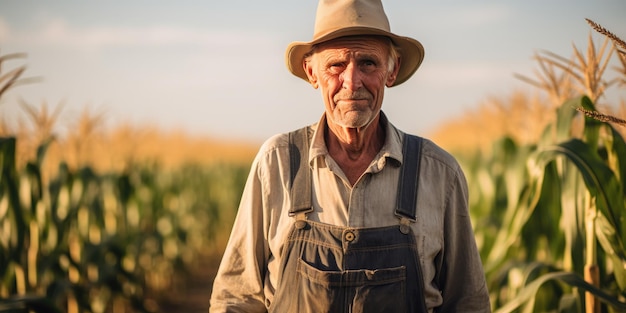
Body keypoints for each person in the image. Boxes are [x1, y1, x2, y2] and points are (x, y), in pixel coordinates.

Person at [209, 0, 491, 312]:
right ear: (312, 72)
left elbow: (468, 304)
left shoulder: (439, 174)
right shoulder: (275, 164)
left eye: (368, 63)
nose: (352, 82)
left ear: (392, 70)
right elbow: (235, 300)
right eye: (336, 65)